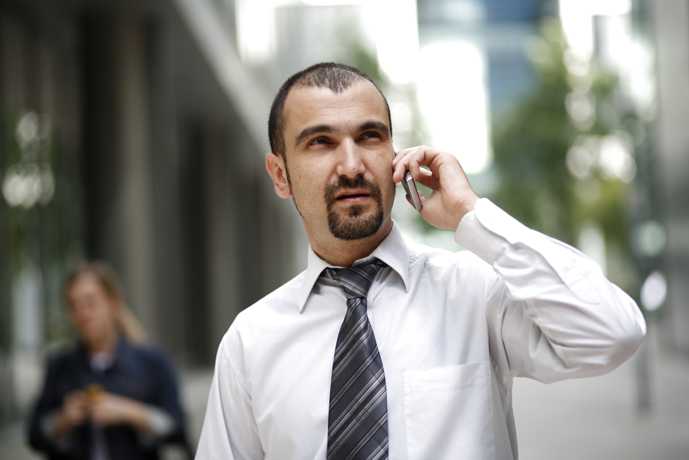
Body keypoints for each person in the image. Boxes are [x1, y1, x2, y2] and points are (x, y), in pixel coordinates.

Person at [195, 63, 646, 460]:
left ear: (395, 154)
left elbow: (611, 333)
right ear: (280, 174)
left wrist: (472, 215)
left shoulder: (474, 292)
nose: (351, 165)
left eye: (369, 136)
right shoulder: (249, 343)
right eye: (321, 142)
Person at [28, 261, 189, 460]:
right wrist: (62, 420)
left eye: (91, 302)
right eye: (73, 305)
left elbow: (177, 427)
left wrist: (132, 413)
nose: (83, 314)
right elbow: (34, 437)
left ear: (114, 302)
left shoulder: (152, 361)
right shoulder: (60, 366)